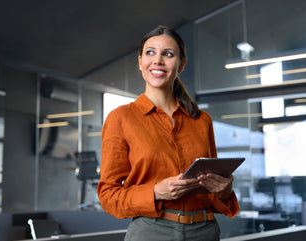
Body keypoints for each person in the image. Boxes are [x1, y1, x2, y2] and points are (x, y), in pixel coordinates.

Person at [97, 25, 240, 241]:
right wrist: (155, 192)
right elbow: (109, 195)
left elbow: (214, 186)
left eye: (168, 54)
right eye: (150, 52)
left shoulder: (202, 120)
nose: (158, 61)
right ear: (140, 62)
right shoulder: (121, 118)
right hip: (151, 232)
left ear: (181, 64)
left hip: (204, 231)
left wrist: (224, 191)